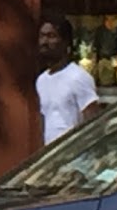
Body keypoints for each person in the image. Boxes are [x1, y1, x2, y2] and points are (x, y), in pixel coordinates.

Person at [36, 12, 99, 146]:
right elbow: (45, 122)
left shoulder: (78, 77)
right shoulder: (42, 80)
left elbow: (93, 124)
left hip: (75, 158)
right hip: (51, 157)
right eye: (42, 36)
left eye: (51, 36)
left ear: (66, 42)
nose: (44, 42)